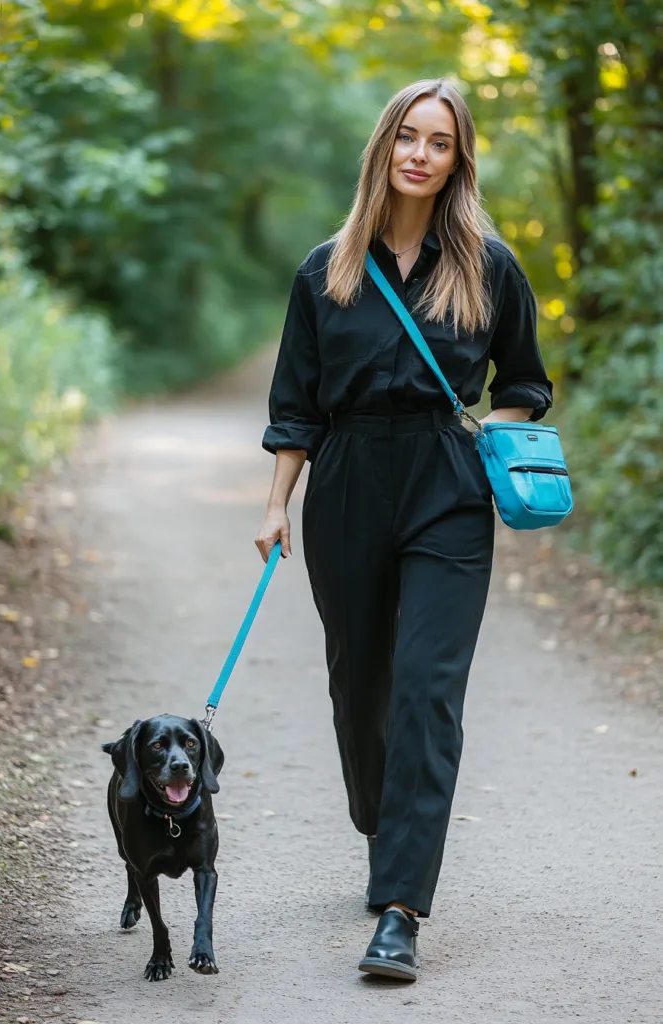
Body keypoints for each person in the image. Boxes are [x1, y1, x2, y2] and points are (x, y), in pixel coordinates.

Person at [255, 78, 552, 982]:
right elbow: (296, 405)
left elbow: (525, 383)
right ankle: (384, 821)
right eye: (407, 138)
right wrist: (275, 503)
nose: (420, 154)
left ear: (459, 161)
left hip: (444, 487)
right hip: (345, 482)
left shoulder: (489, 266)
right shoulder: (325, 269)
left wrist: (490, 435)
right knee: (361, 686)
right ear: (383, 147)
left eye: (441, 143)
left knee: (427, 690)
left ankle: (399, 910)